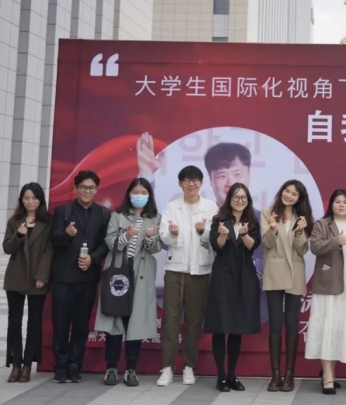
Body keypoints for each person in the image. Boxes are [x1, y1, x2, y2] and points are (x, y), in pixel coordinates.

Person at [137, 136, 267, 322]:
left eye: (237, 174)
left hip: (251, 315)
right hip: (203, 313)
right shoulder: (198, 216)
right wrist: (145, 173)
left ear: (249, 175)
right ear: (211, 181)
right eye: (222, 175)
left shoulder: (265, 222)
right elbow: (150, 222)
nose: (230, 182)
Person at [95, 178, 163, 387]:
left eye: (143, 192)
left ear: (149, 196)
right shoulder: (118, 216)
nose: (139, 196)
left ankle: (131, 369)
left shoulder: (155, 218)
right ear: (129, 194)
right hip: (118, 273)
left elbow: (156, 248)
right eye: (136, 192)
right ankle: (111, 368)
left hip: (141, 275)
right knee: (114, 320)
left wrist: (150, 237)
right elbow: (110, 242)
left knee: (136, 322)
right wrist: (126, 235)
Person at [156, 166, 219, 387]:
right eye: (187, 180)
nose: (191, 184)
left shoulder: (210, 207)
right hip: (175, 270)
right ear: (180, 183)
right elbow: (164, 236)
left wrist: (202, 232)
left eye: (195, 180)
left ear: (201, 183)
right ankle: (167, 368)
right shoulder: (171, 207)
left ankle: (189, 367)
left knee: (194, 321)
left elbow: (213, 238)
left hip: (199, 272)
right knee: (170, 321)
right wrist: (172, 234)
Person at [50, 170, 111, 383]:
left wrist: (93, 259)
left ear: (96, 190)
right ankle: (61, 365)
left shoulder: (104, 214)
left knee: (81, 324)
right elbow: (54, 239)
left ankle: (75, 364)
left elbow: (105, 243)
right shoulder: (63, 211)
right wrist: (67, 234)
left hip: (88, 277)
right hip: (63, 277)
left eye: (91, 188)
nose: (87, 191)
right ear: (76, 189)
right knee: (60, 323)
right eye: (83, 187)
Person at [205, 183, 261, 392]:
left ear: (248, 200)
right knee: (220, 327)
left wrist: (244, 234)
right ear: (229, 199)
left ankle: (232, 375)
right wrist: (222, 234)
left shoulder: (252, 221)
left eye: (243, 197)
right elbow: (216, 246)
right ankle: (220, 376)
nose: (240, 201)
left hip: (244, 279)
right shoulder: (218, 220)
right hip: (223, 279)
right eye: (236, 197)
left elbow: (253, 246)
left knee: (237, 328)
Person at [305, 189, 346, 395]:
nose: (341, 205)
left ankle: (330, 372)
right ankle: (327, 376)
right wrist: (335, 241)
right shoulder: (322, 224)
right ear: (332, 204)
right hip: (328, 285)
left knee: (338, 329)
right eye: (338, 201)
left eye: (345, 202)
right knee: (326, 328)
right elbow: (314, 246)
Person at [261, 180, 314, 392]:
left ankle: (290, 374)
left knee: (292, 324)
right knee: (275, 325)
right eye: (287, 191)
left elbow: (302, 250)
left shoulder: (302, 218)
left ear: (299, 198)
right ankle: (275, 374)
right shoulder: (268, 213)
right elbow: (266, 243)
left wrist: (301, 232)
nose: (289, 195)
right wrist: (273, 229)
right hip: (274, 272)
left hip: (295, 274)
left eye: (294, 193)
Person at [2, 183, 52, 383]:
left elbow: (49, 251)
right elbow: (7, 248)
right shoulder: (14, 221)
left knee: (34, 323)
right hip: (16, 276)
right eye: (26, 198)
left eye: (34, 198)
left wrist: (42, 276)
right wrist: (19, 234)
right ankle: (15, 364)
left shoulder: (48, 222)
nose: (31, 202)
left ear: (40, 200)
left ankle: (28, 365)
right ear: (21, 200)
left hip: (37, 278)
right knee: (14, 323)